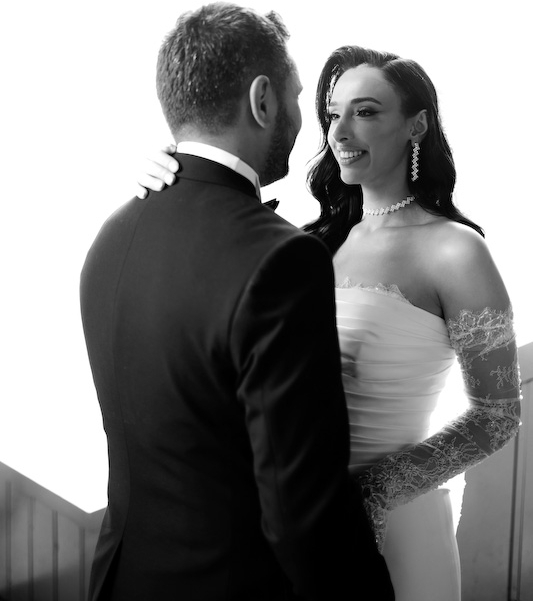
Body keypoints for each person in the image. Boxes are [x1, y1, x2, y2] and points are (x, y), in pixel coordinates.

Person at [139, 44, 521, 601]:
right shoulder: (311, 242)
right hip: (301, 529)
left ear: (416, 125)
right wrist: (176, 177)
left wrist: (373, 493)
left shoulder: (456, 251)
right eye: (332, 114)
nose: (339, 132)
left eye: (365, 112)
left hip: (396, 529)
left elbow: (498, 414)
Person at [81, 5, 394, 600]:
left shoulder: (112, 232)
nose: (310, 123)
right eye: (298, 97)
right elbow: (302, 515)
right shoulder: (281, 260)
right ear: (263, 100)